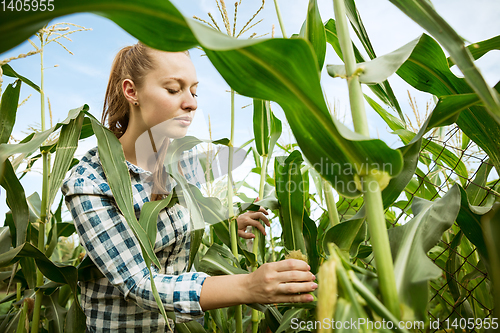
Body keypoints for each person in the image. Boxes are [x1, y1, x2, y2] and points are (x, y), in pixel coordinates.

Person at [61, 42, 317, 333]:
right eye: (173, 90)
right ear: (131, 91)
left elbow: (175, 241)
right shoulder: (90, 182)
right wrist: (249, 285)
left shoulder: (177, 168)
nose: (192, 103)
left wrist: (231, 223)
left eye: (194, 91)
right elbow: (141, 284)